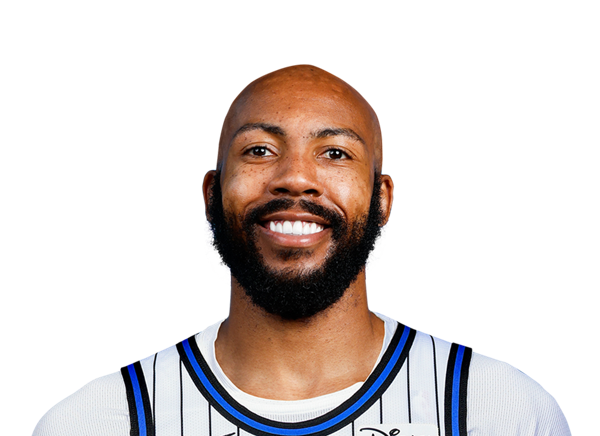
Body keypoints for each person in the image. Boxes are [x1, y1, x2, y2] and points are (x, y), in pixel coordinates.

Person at [32, 64, 570, 436]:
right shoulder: (95, 422)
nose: (294, 177)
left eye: (334, 153)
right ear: (211, 194)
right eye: (259, 150)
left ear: (382, 200)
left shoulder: (500, 411)